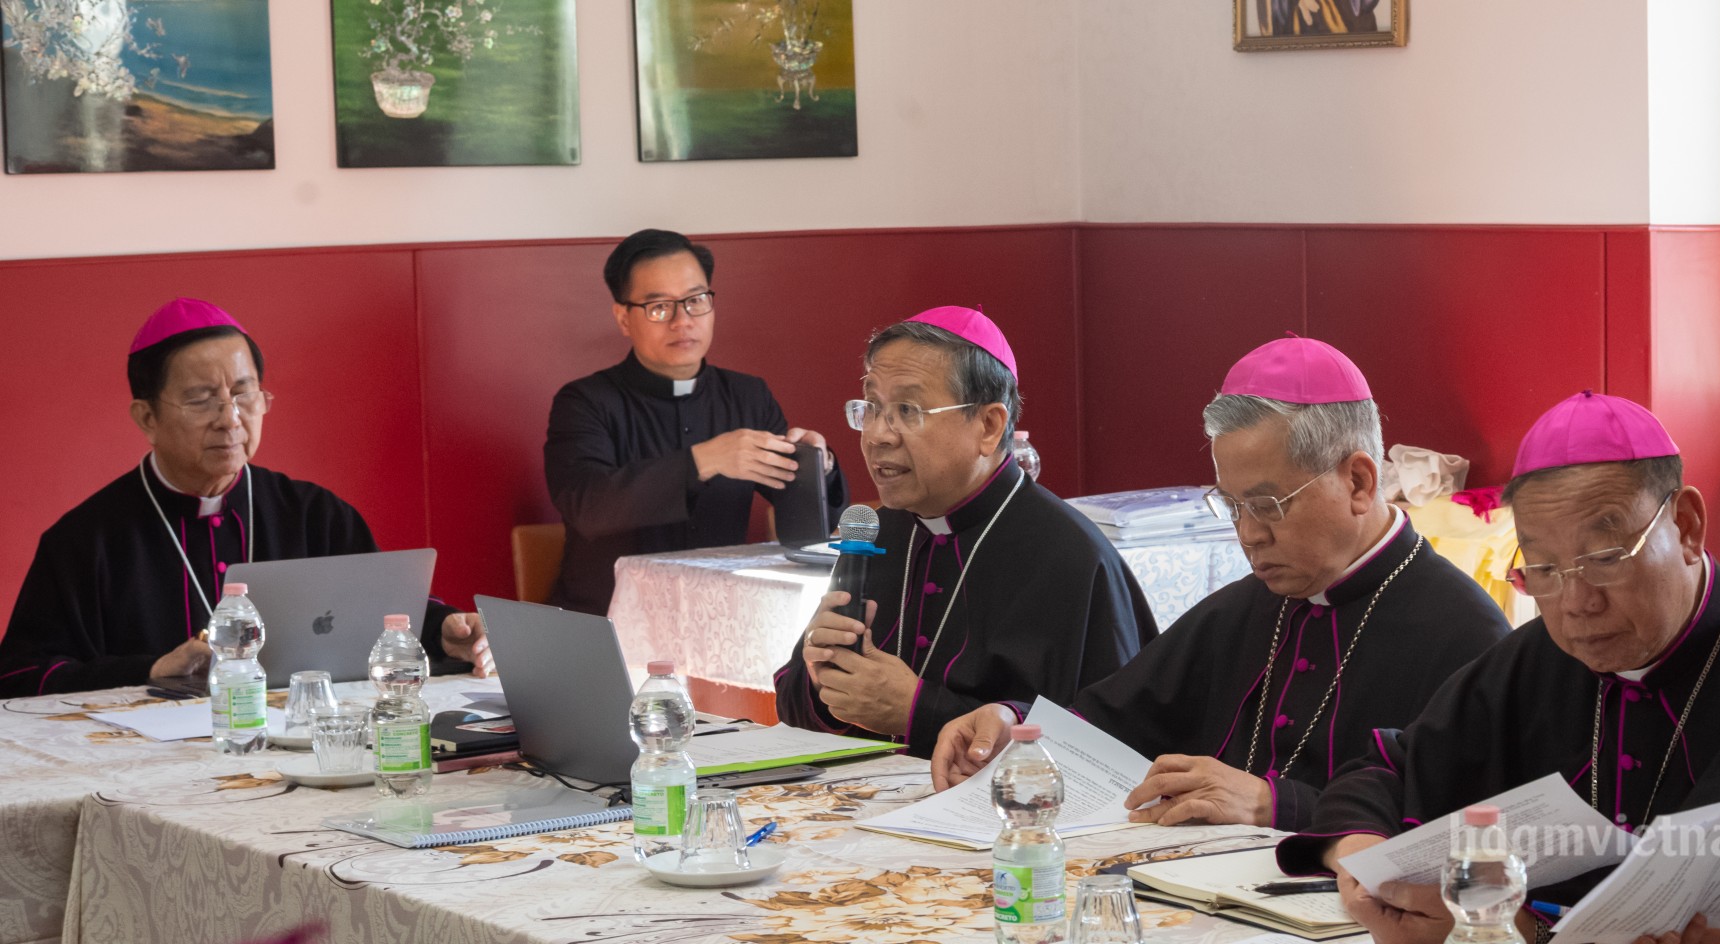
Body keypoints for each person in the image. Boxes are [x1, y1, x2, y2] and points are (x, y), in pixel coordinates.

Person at [1274, 390, 1720, 944]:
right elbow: (1391, 769)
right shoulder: (1539, 656)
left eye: (1605, 558)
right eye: (1543, 570)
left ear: (1687, 526)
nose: (1577, 603)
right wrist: (1358, 856)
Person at [929, 337, 1510, 830]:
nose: (1249, 535)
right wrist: (1013, 726)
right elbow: (1107, 724)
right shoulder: (1244, 608)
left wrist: (1279, 805)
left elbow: (1470, 830)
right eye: (1232, 506)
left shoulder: (1466, 634)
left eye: (1268, 505)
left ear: (1358, 482)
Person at [0, 298, 491, 699]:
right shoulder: (84, 541)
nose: (230, 419)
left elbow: (380, 610)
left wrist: (442, 629)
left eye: (244, 394)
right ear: (147, 418)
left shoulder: (315, 515)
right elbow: (19, 676)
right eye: (202, 399)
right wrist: (148, 670)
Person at [772, 306, 1156, 757]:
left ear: (989, 426)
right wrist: (820, 677)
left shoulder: (1071, 557)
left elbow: (1109, 750)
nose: (877, 435)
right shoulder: (878, 533)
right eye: (871, 408)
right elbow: (795, 707)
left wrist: (918, 712)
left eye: (908, 410)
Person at [543, 229, 846, 614]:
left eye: (695, 301)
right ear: (623, 318)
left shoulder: (747, 395)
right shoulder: (585, 401)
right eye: (659, 307)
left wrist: (818, 466)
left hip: (722, 614)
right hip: (610, 618)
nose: (682, 320)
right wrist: (704, 460)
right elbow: (587, 507)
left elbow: (809, 521)